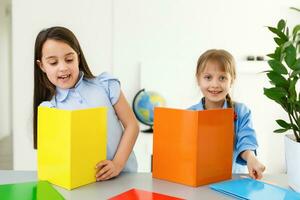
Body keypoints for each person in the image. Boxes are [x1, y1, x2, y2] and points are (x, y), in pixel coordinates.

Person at [33, 26, 139, 181]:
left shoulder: (105, 85)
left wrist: (117, 164)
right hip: (84, 184)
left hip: (124, 177)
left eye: (69, 59)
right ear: (42, 66)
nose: (63, 67)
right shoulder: (50, 109)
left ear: (78, 58)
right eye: (53, 62)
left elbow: (132, 125)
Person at [188, 49, 265, 179]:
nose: (215, 84)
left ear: (232, 80)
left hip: (232, 180)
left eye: (222, 78)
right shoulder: (189, 115)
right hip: (198, 180)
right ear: (198, 80)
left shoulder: (241, 112)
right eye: (208, 77)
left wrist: (251, 158)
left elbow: (246, 141)